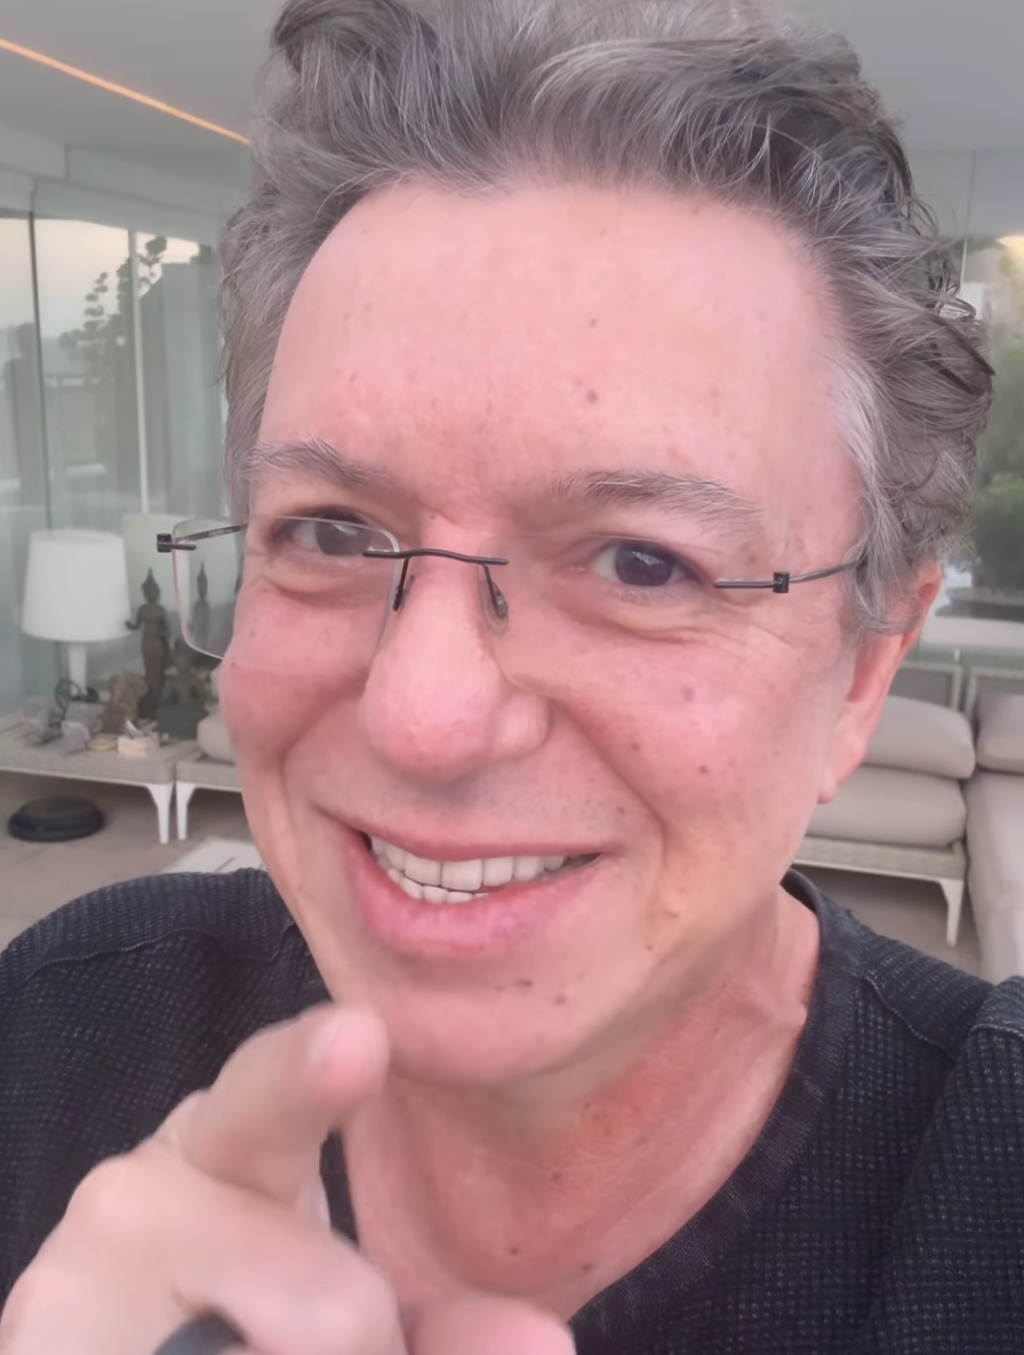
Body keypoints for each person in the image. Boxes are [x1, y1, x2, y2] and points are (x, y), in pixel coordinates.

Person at [0, 0, 1020, 1351]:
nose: (420, 717)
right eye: (332, 532)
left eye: (643, 563)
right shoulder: (60, 1021)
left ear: (863, 673)